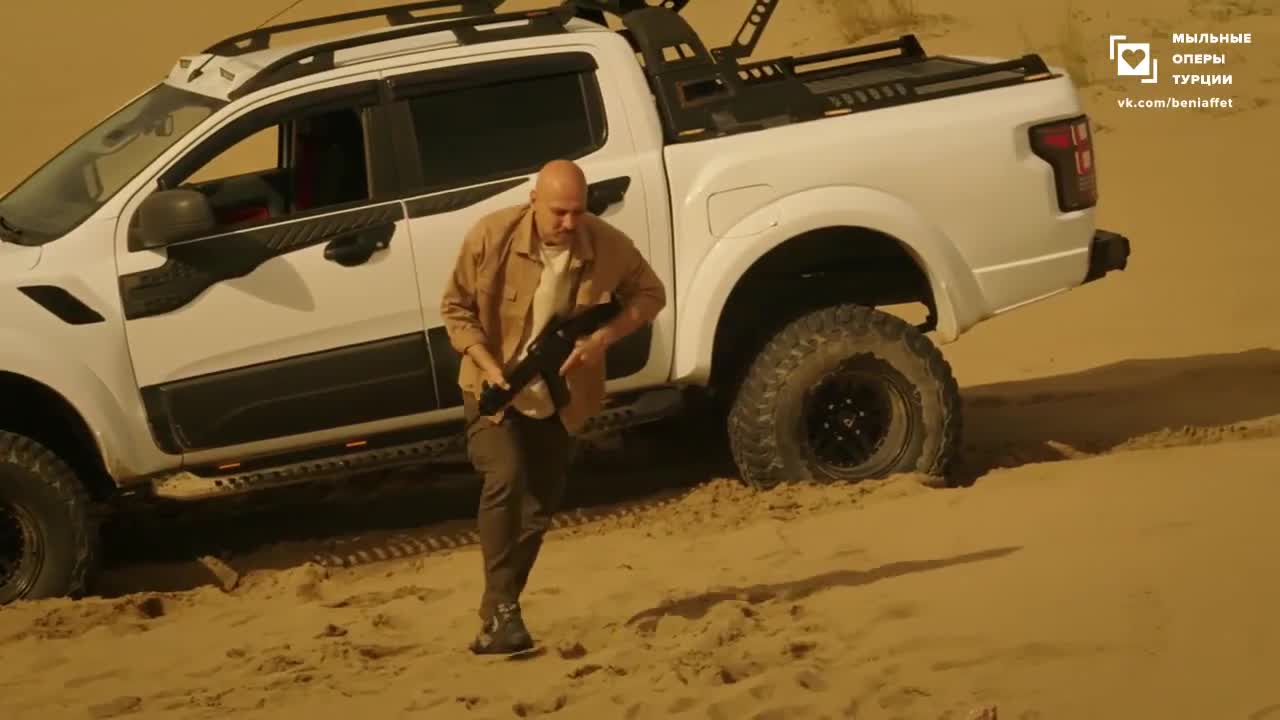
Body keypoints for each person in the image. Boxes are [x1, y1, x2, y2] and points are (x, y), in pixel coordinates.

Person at [439, 159, 667, 655]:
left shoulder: (606, 243)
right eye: (558, 212)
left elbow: (651, 294)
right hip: (493, 387)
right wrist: (486, 362)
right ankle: (502, 610)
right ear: (533, 202)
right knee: (505, 476)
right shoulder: (491, 237)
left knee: (540, 504)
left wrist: (603, 338)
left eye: (577, 212)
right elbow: (454, 308)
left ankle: (499, 611)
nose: (569, 223)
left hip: (562, 395)